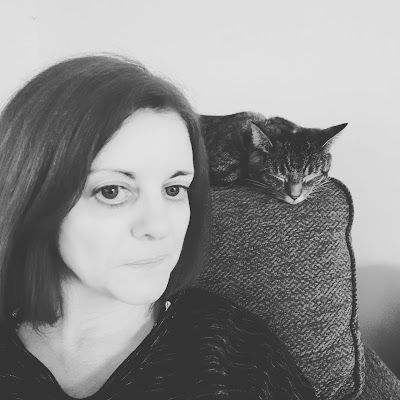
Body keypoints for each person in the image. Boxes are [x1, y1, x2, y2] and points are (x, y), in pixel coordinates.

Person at [0, 54, 316, 399]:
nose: (159, 227)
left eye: (174, 189)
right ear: (33, 197)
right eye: (112, 191)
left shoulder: (240, 357)